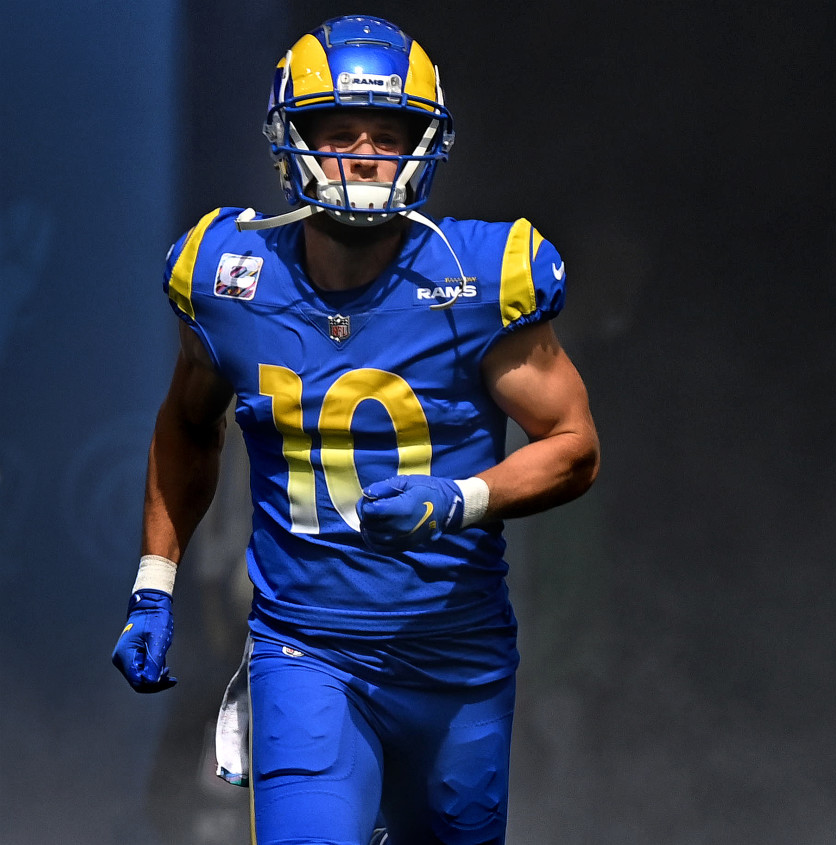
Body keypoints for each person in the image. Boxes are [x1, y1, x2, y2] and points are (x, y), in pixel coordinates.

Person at [111, 14, 600, 845]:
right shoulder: (230, 278)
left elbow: (574, 445)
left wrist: (460, 498)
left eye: (388, 134)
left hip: (456, 657)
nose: (365, 154)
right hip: (307, 651)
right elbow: (189, 426)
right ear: (293, 140)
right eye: (340, 132)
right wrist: (154, 582)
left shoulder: (480, 276)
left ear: (424, 145)